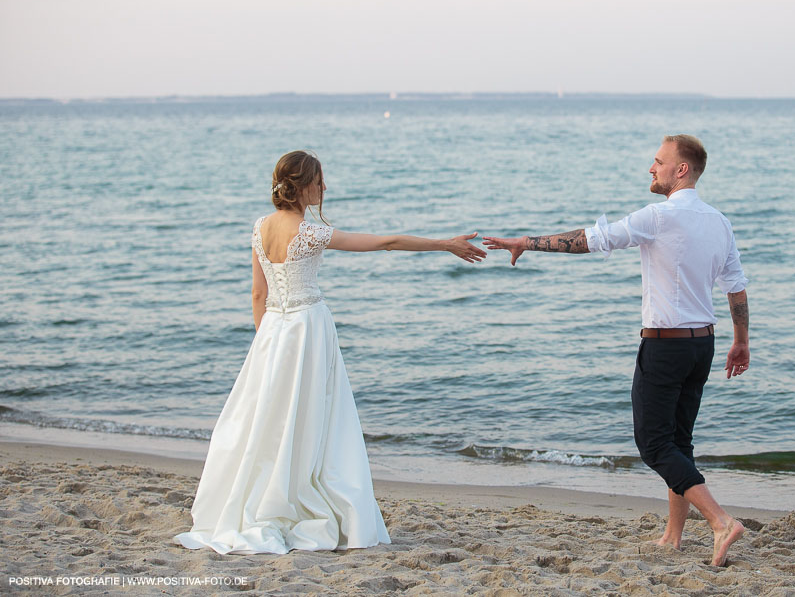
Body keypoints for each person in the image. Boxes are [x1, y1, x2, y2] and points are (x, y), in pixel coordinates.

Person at [174, 150, 486, 555]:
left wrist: (265, 343)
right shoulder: (312, 233)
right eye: (320, 181)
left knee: (268, 417)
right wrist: (444, 244)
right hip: (307, 329)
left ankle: (259, 497)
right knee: (313, 416)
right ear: (302, 186)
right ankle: (303, 496)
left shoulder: (259, 228)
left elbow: (257, 293)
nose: (326, 188)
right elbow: (386, 243)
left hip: (272, 332)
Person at [484, 134, 750, 567]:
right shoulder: (719, 221)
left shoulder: (659, 217)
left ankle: (721, 522)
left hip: (665, 347)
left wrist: (526, 242)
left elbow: (593, 239)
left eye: (658, 161)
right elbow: (735, 286)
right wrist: (742, 341)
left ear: (681, 170)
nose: (651, 168)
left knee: (653, 445)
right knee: (679, 442)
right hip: (703, 343)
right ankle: (672, 536)